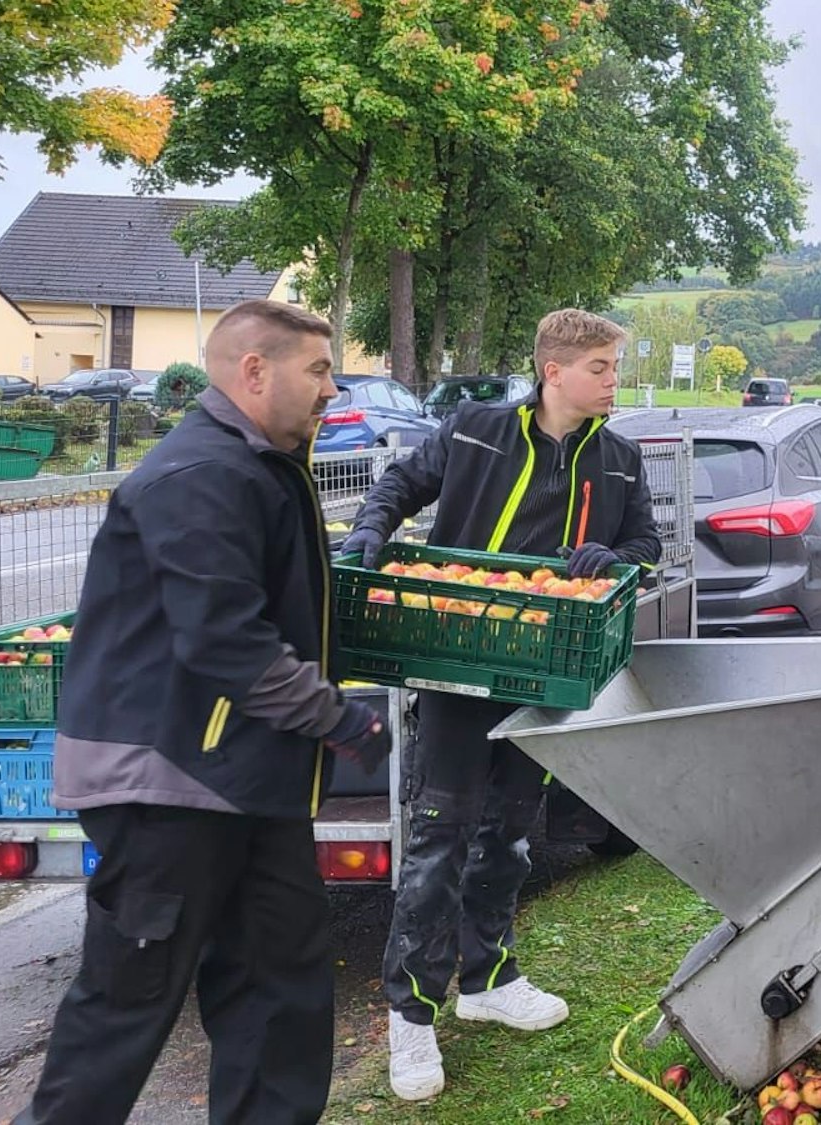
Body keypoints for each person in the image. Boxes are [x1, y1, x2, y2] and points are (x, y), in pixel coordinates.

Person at [14, 300, 390, 1125]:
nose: (333, 388)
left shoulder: (261, 464)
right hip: (168, 782)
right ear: (254, 371)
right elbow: (225, 641)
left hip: (248, 778)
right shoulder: (202, 475)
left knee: (279, 990)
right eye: (318, 370)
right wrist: (340, 718)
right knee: (126, 1004)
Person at [342, 308, 660, 1101]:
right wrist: (366, 536)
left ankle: (488, 979)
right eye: (602, 366)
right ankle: (412, 1018)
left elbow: (648, 548)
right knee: (438, 842)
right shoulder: (475, 429)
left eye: (615, 366)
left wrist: (612, 557)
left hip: (542, 675)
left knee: (511, 837)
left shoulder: (619, 459)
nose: (614, 379)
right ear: (555, 371)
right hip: (457, 664)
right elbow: (399, 485)